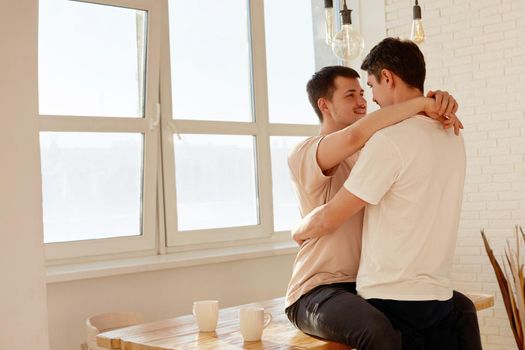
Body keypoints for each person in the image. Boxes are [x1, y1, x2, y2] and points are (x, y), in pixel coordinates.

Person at [291, 38, 481, 350]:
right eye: (351, 93)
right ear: (324, 105)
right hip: (319, 284)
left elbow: (374, 134)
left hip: (358, 285)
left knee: (461, 309)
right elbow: (356, 135)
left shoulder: (377, 145)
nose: (366, 100)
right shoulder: (309, 151)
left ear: (388, 78)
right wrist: (298, 229)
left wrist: (434, 102)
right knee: (378, 331)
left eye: (366, 90)